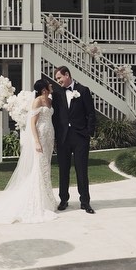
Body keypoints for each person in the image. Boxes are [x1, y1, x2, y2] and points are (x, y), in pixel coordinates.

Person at [0, 79, 58, 224]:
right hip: (40, 135)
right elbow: (32, 123)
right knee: (40, 167)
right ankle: (38, 201)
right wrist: (36, 141)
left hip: (49, 136)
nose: (51, 85)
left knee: (46, 166)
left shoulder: (50, 100)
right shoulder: (37, 101)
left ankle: (48, 199)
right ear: (44, 89)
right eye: (49, 84)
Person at [52, 66, 96, 214]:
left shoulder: (83, 90)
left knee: (82, 170)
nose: (58, 81)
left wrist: (88, 133)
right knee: (63, 170)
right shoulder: (56, 93)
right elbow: (55, 116)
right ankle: (63, 200)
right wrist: (55, 135)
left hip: (80, 137)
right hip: (63, 137)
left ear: (67, 75)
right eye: (57, 79)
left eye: (59, 78)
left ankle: (85, 202)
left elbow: (91, 113)